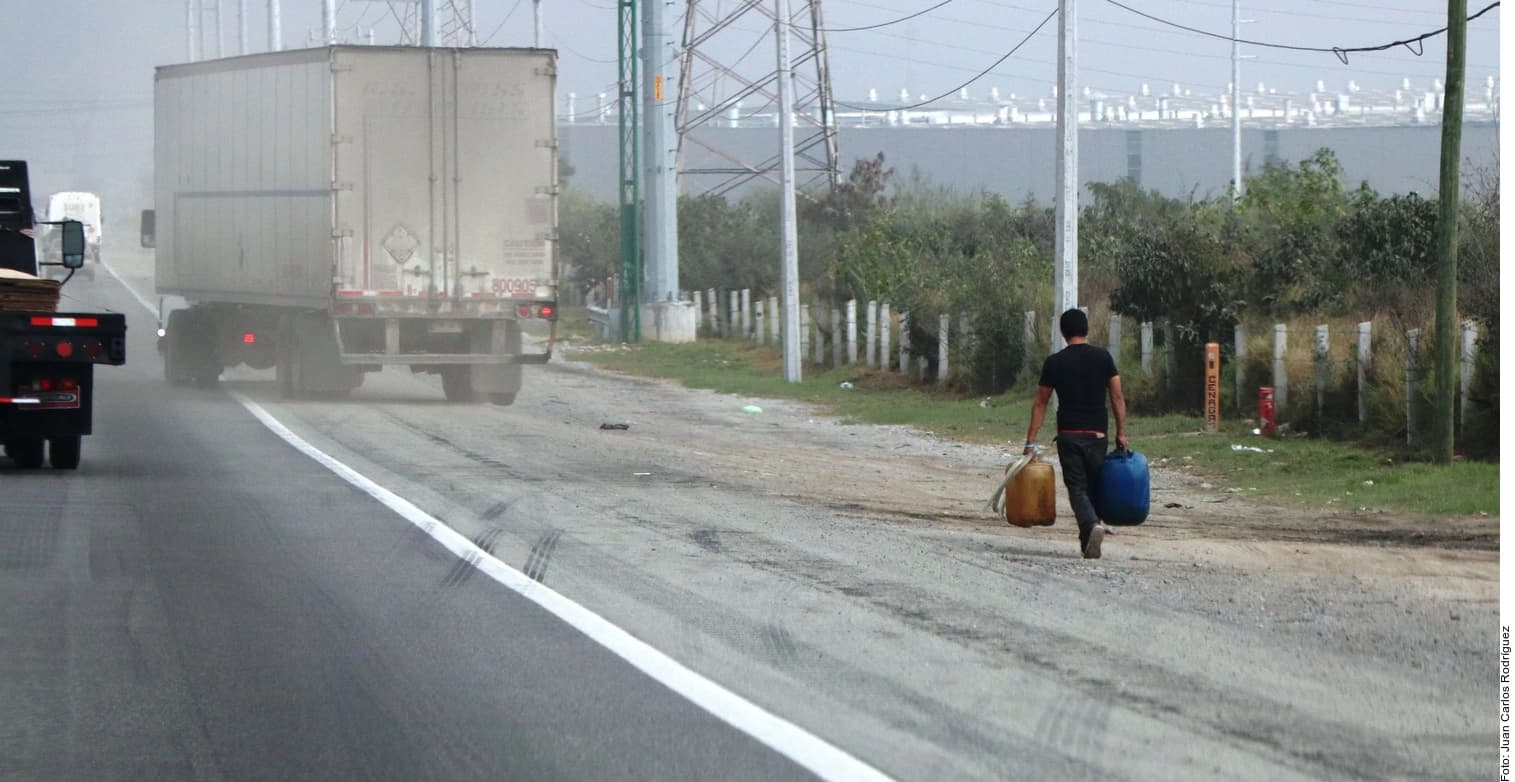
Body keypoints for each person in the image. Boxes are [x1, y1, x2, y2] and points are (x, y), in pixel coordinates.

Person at [1023, 308, 1128, 559]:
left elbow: (1040, 403)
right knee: (1092, 487)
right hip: (1097, 435)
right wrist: (1122, 432)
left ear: (1062, 332)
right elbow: (1117, 396)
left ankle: (1092, 526)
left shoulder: (1055, 362)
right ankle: (1088, 543)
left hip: (1069, 434)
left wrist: (1031, 441)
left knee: (1076, 488)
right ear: (1087, 330)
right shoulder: (1103, 358)